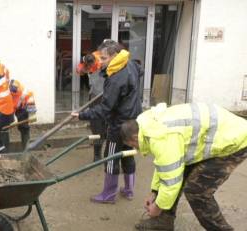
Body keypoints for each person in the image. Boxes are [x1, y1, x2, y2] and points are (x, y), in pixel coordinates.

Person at [121, 103, 247, 231]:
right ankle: (164, 221)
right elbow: (165, 167)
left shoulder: (161, 137)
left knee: (197, 190)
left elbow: (171, 181)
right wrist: (154, 192)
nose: (135, 149)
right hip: (214, 134)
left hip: (233, 140)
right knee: (177, 172)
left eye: (133, 145)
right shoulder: (148, 125)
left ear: (135, 137)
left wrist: (158, 207)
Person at [71, 39, 142, 203]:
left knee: (110, 157)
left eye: (103, 59)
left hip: (118, 124)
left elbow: (105, 109)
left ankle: (109, 195)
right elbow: (140, 71)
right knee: (127, 154)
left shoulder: (116, 79)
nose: (100, 62)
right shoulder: (130, 63)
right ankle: (129, 190)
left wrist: (82, 115)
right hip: (133, 120)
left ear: (114, 56)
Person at [76, 50, 107, 161]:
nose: (90, 68)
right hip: (95, 97)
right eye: (89, 66)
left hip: (108, 96)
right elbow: (79, 70)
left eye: (91, 66)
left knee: (107, 127)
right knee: (97, 127)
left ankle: (108, 154)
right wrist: (83, 69)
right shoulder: (88, 59)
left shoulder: (102, 62)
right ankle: (97, 154)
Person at [8, 79, 36, 149]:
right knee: (7, 126)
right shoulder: (8, 94)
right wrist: (10, 119)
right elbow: (10, 107)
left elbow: (31, 102)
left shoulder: (26, 93)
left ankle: (26, 148)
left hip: (24, 108)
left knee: (24, 128)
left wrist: (32, 115)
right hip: (14, 108)